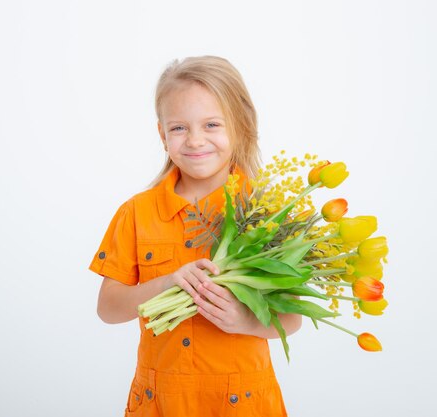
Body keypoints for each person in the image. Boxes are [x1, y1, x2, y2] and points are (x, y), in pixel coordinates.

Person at [89, 55, 302, 416]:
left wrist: (246, 321)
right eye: (179, 128)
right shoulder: (136, 212)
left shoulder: (268, 213)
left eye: (212, 124)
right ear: (162, 134)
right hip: (160, 402)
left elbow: (291, 318)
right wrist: (165, 284)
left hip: (243, 404)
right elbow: (107, 308)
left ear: (241, 126)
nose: (195, 140)